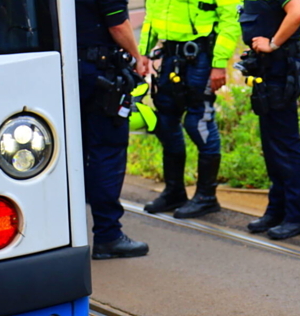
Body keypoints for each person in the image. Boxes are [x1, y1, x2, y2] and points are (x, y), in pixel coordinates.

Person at [138, 0, 241, 218]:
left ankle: (206, 197)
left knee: (198, 122)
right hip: (171, 55)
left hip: (202, 56)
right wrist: (143, 53)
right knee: (165, 122)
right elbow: (151, 15)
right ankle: (174, 192)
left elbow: (231, 18)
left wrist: (219, 62)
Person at [76, 0, 151, 259]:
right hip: (98, 74)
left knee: (74, 151)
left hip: (66, 71)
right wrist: (138, 56)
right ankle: (108, 235)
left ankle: (66, 233)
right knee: (107, 151)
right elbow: (118, 24)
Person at [239, 0, 300, 240]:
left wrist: (272, 44)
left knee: (285, 145)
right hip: (267, 69)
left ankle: (299, 217)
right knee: (272, 146)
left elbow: (297, 13)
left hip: (281, 69)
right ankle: (278, 210)